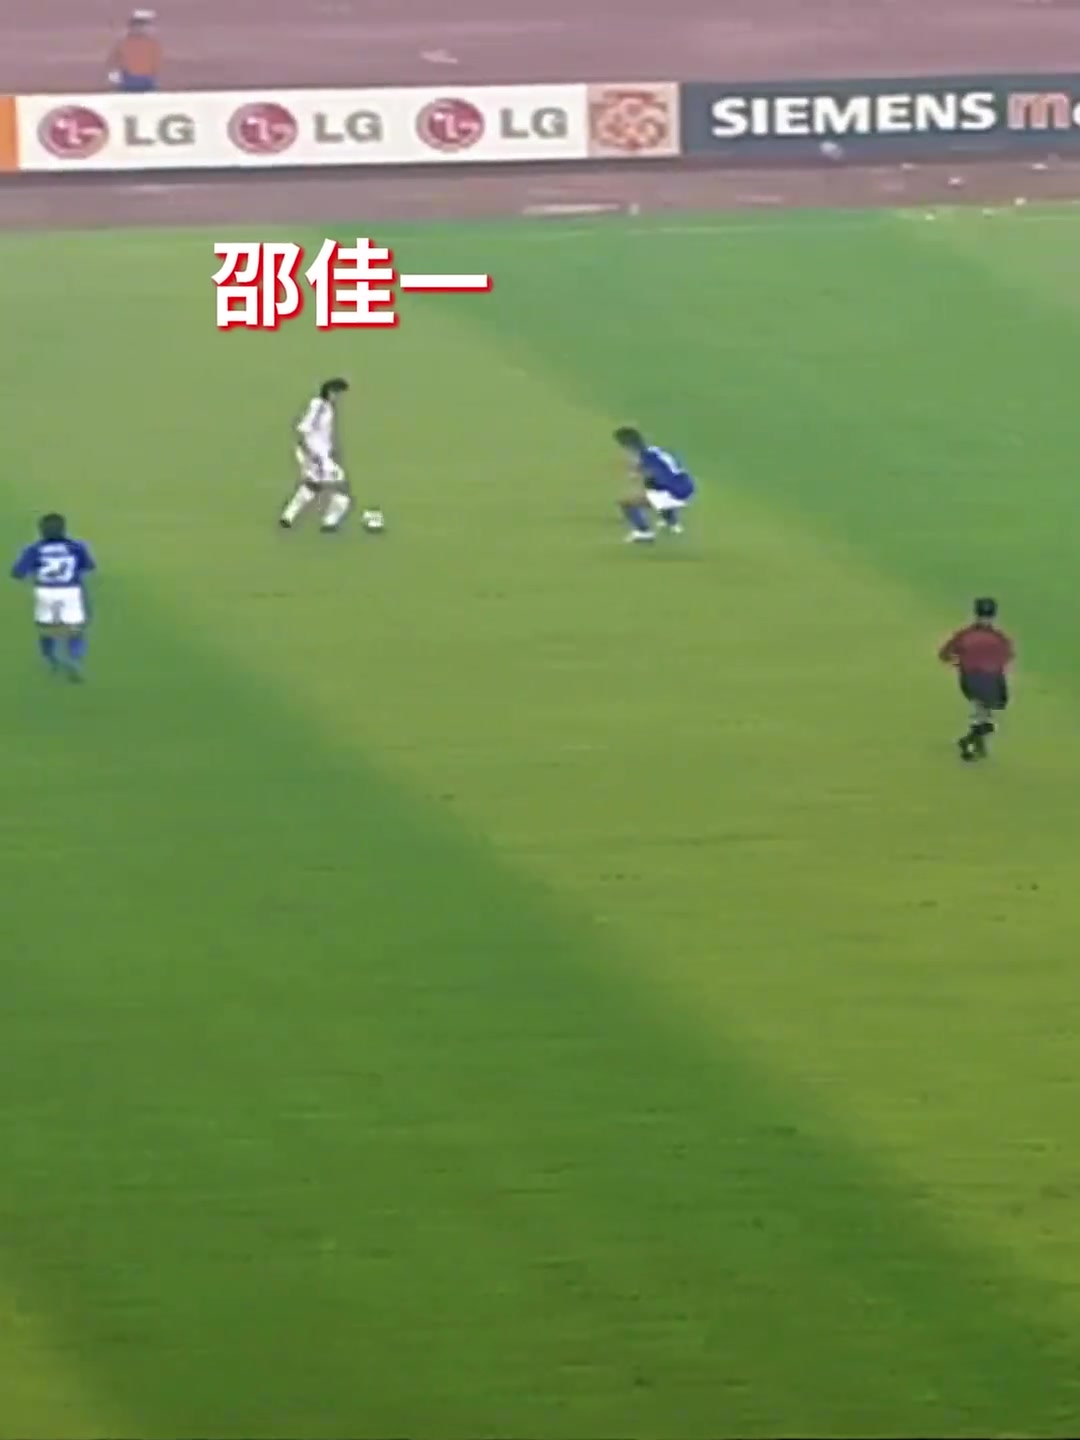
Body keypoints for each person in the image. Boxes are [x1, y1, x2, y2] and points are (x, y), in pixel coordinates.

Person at [11, 513, 96, 683]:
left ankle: (51, 659)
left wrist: (33, 575)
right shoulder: (76, 547)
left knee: (47, 630)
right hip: (71, 591)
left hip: (46, 593)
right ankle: (74, 659)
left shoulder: (34, 549)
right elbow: (89, 566)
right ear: (63, 529)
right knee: (75, 630)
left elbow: (17, 573)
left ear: (41, 531)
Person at [938, 597, 1014, 762]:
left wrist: (958, 662)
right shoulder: (999, 638)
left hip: (979, 679)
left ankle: (972, 743)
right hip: (986, 680)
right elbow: (1008, 657)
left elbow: (945, 654)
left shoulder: (966, 635)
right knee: (985, 716)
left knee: (984, 716)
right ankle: (971, 746)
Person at [279, 378, 353, 533]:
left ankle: (287, 517)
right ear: (330, 392)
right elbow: (304, 428)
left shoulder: (326, 406)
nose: (339, 397)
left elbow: (321, 433)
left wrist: (330, 449)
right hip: (315, 455)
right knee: (341, 488)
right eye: (338, 393)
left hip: (320, 454)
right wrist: (310, 453)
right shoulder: (319, 406)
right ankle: (329, 522)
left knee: (313, 486)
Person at [614, 426, 696, 543]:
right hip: (688, 486)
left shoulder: (647, 458)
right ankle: (672, 523)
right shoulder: (658, 451)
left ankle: (644, 533)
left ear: (627, 445)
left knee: (627, 504)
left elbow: (661, 477)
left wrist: (638, 475)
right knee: (654, 490)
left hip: (677, 493)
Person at [107, 10, 162, 93]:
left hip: (146, 82)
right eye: (144, 24)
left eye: (148, 24)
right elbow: (113, 62)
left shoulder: (152, 44)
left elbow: (155, 66)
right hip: (128, 82)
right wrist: (114, 74)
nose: (148, 28)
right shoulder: (124, 43)